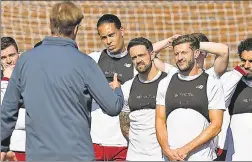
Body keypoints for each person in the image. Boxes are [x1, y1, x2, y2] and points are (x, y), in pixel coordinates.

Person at [1, 2, 124, 161]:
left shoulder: (25, 61)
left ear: (51, 24)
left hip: (39, 156)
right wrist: (117, 89)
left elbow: (7, 112)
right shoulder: (85, 63)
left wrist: (2, 146)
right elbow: (113, 107)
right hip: (78, 155)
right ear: (75, 29)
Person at [88, 13, 179, 160]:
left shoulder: (135, 62)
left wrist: (168, 42)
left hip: (122, 143)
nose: (108, 41)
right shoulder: (94, 59)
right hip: (96, 140)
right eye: (104, 37)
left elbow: (145, 52)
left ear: (122, 31)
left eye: (111, 35)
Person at [155, 34, 226, 161]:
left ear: (196, 53)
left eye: (184, 53)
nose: (179, 58)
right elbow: (160, 120)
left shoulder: (212, 83)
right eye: (176, 54)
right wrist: (166, 150)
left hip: (201, 157)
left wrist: (185, 150)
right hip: (170, 157)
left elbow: (216, 125)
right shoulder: (165, 83)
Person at [119, 37, 169, 161]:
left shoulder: (169, 82)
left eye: (141, 55)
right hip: (134, 156)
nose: (138, 61)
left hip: (161, 157)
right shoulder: (127, 87)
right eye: (134, 57)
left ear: (152, 55)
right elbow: (124, 123)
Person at [222, 36, 252, 161]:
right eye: (243, 60)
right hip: (236, 157)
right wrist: (237, 73)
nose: (246, 65)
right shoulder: (232, 81)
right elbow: (218, 101)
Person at [1, 37, 25, 161]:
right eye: (3, 58)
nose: (9, 61)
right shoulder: (3, 81)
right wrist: (6, 81)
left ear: (19, 55)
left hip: (25, 146)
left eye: (12, 55)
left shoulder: (28, 77)